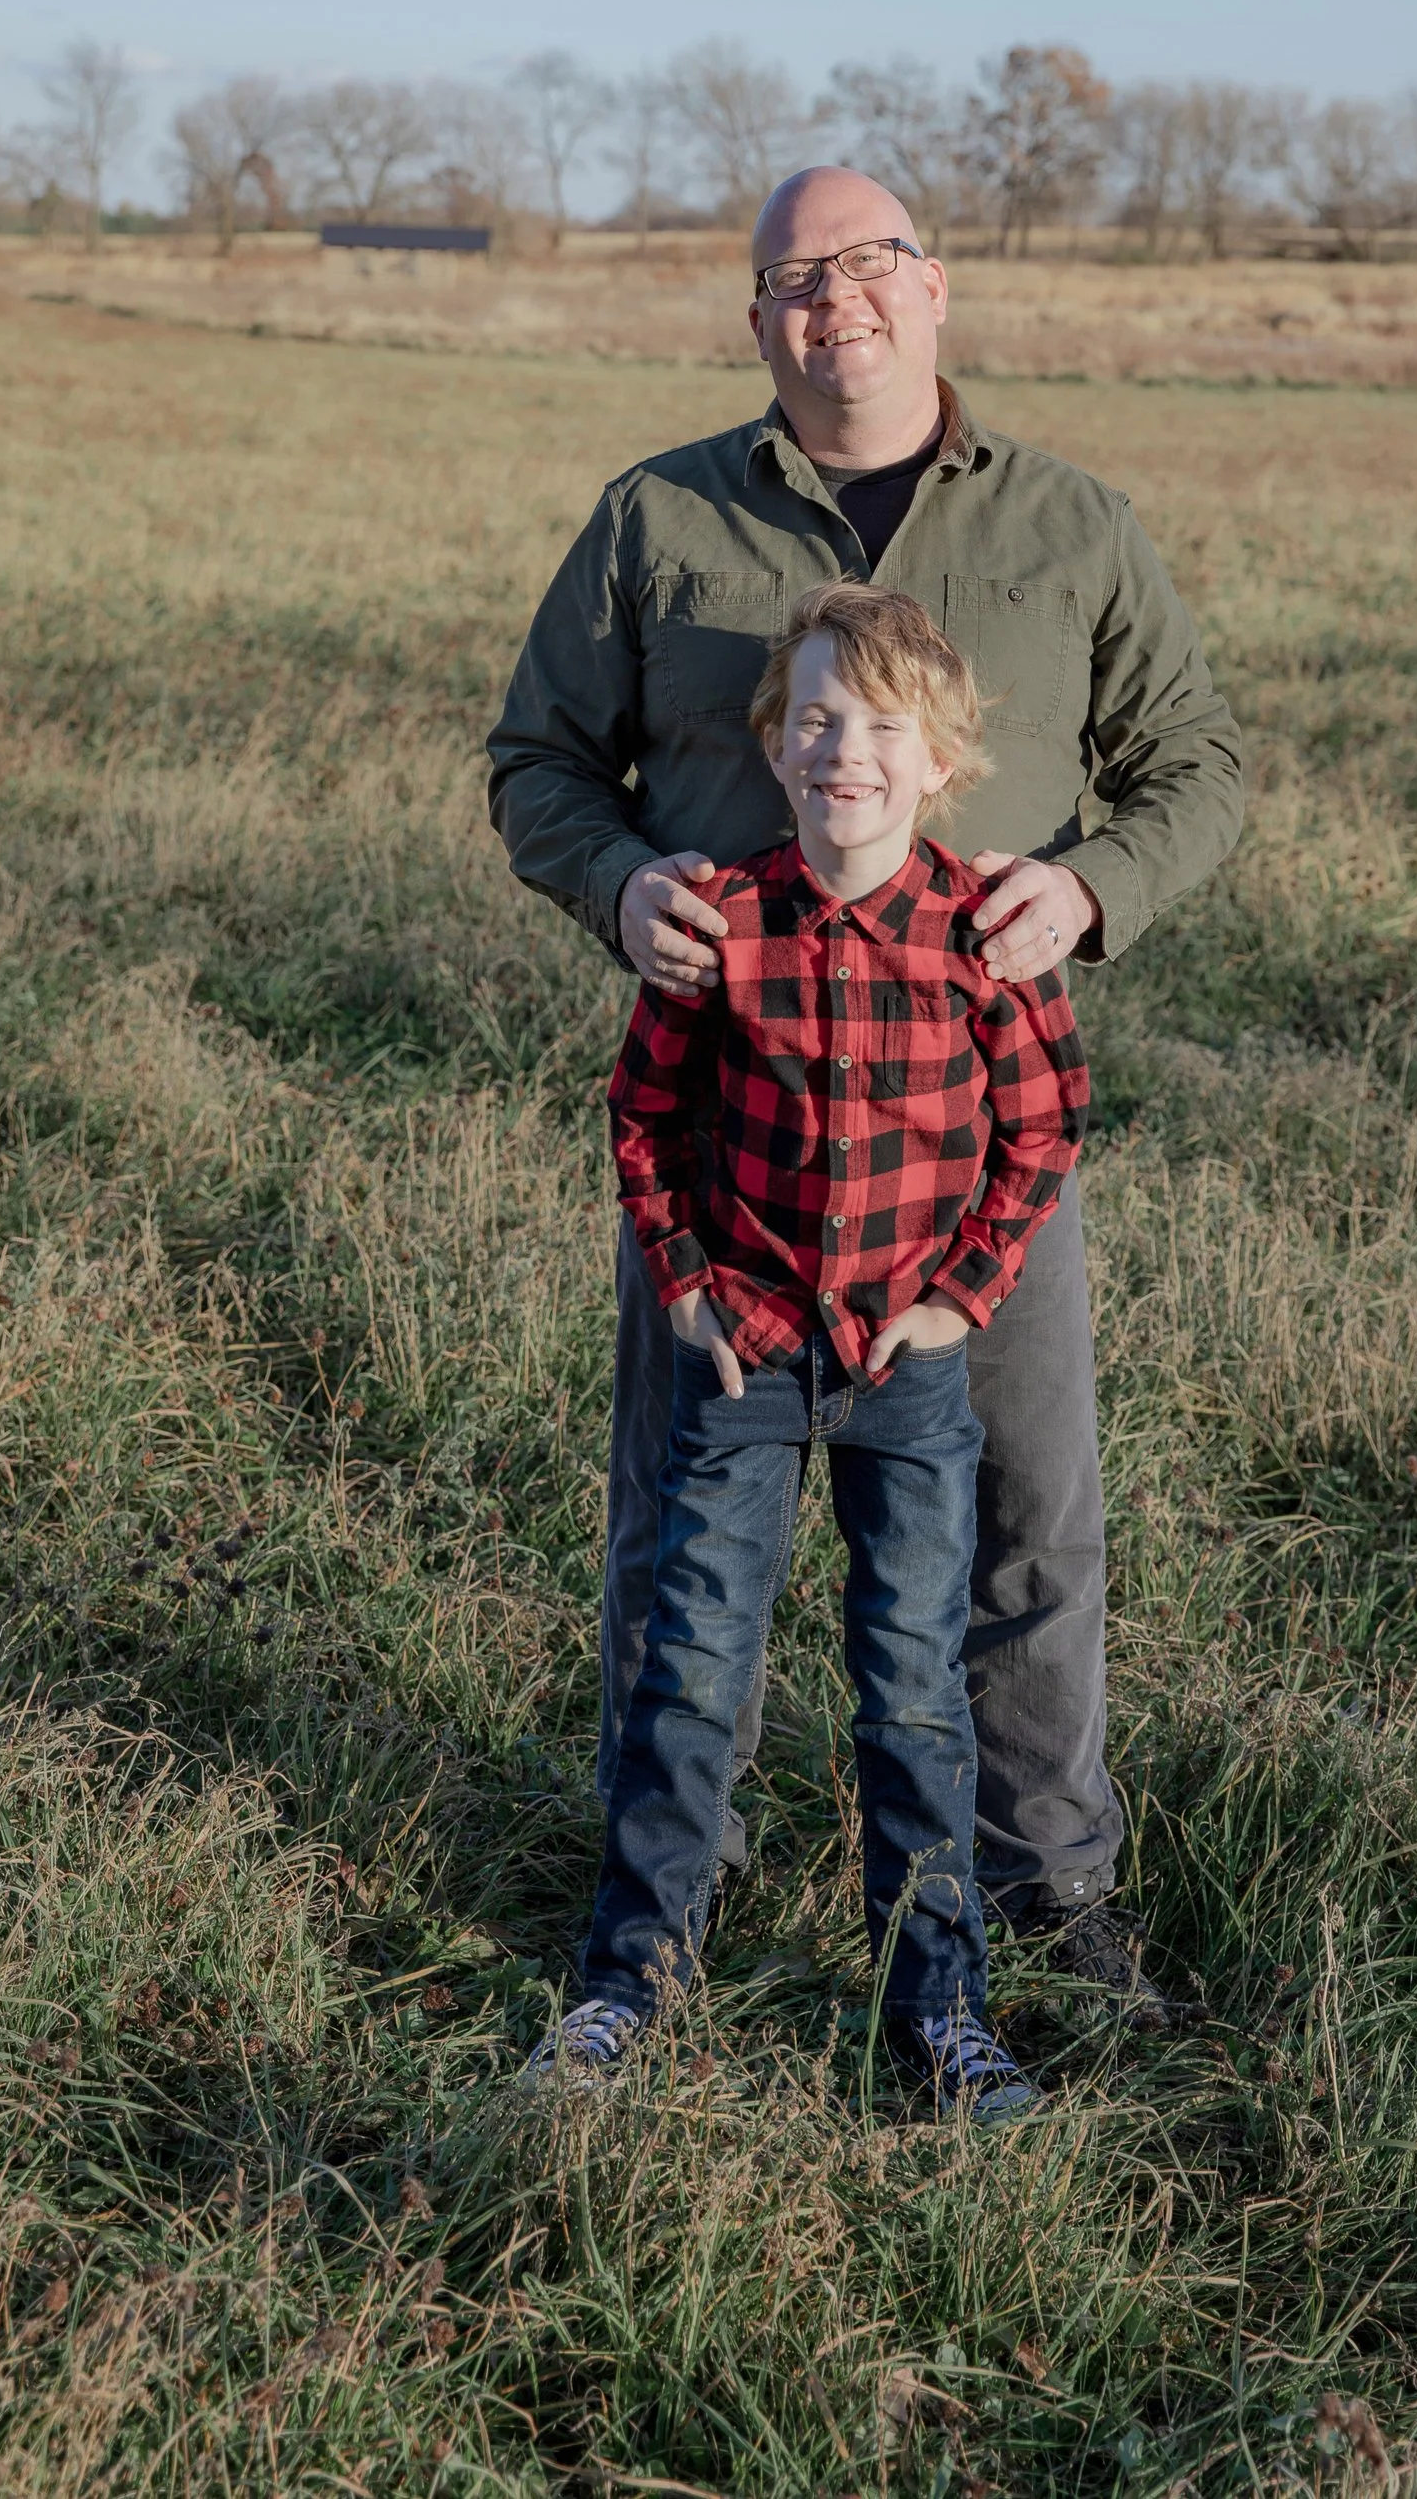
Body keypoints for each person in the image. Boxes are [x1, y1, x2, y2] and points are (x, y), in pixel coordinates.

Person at [487, 163, 1242, 2010]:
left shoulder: (1074, 525)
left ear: (940, 287)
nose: (841, 300)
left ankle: (1044, 1884)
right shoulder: (656, 520)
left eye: (873, 262)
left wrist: (1093, 887)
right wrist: (622, 880)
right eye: (796, 276)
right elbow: (536, 763)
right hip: (729, 1126)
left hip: (974, 1137)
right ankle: (664, 1895)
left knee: (1024, 1515)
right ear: (757, 320)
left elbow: (1201, 767)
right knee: (683, 1508)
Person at [526, 584, 1087, 2113]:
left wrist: (963, 1295)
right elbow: (643, 1111)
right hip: (747, 1354)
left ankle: (937, 2002)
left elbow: (1044, 1127)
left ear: (942, 762)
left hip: (907, 1370)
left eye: (884, 727)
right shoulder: (728, 923)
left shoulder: (975, 935)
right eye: (819, 717)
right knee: (693, 1662)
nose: (848, 749)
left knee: (910, 1679)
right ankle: (629, 1979)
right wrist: (689, 1280)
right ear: (774, 743)